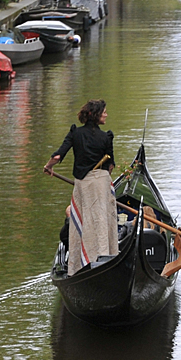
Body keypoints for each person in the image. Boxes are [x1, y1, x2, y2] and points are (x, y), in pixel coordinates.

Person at [44, 99, 117, 276]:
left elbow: (58, 155)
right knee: (101, 219)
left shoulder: (75, 133)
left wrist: (48, 167)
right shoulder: (106, 137)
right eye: (103, 112)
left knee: (83, 220)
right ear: (95, 114)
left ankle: (78, 264)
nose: (106, 114)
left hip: (83, 184)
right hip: (102, 183)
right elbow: (111, 166)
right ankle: (105, 258)